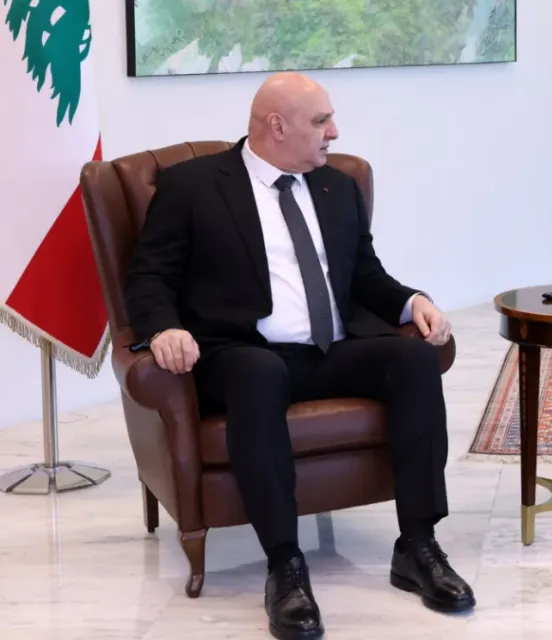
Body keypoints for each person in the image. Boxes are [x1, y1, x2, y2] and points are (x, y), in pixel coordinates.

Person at [123, 72, 474, 639]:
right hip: (241, 354)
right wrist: (163, 328)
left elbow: (365, 275)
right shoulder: (193, 185)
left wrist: (414, 302)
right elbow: (149, 276)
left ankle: (418, 545)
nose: (334, 132)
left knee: (412, 361)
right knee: (259, 372)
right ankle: (285, 565)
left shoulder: (337, 187)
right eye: (320, 121)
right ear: (277, 126)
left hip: (329, 350)